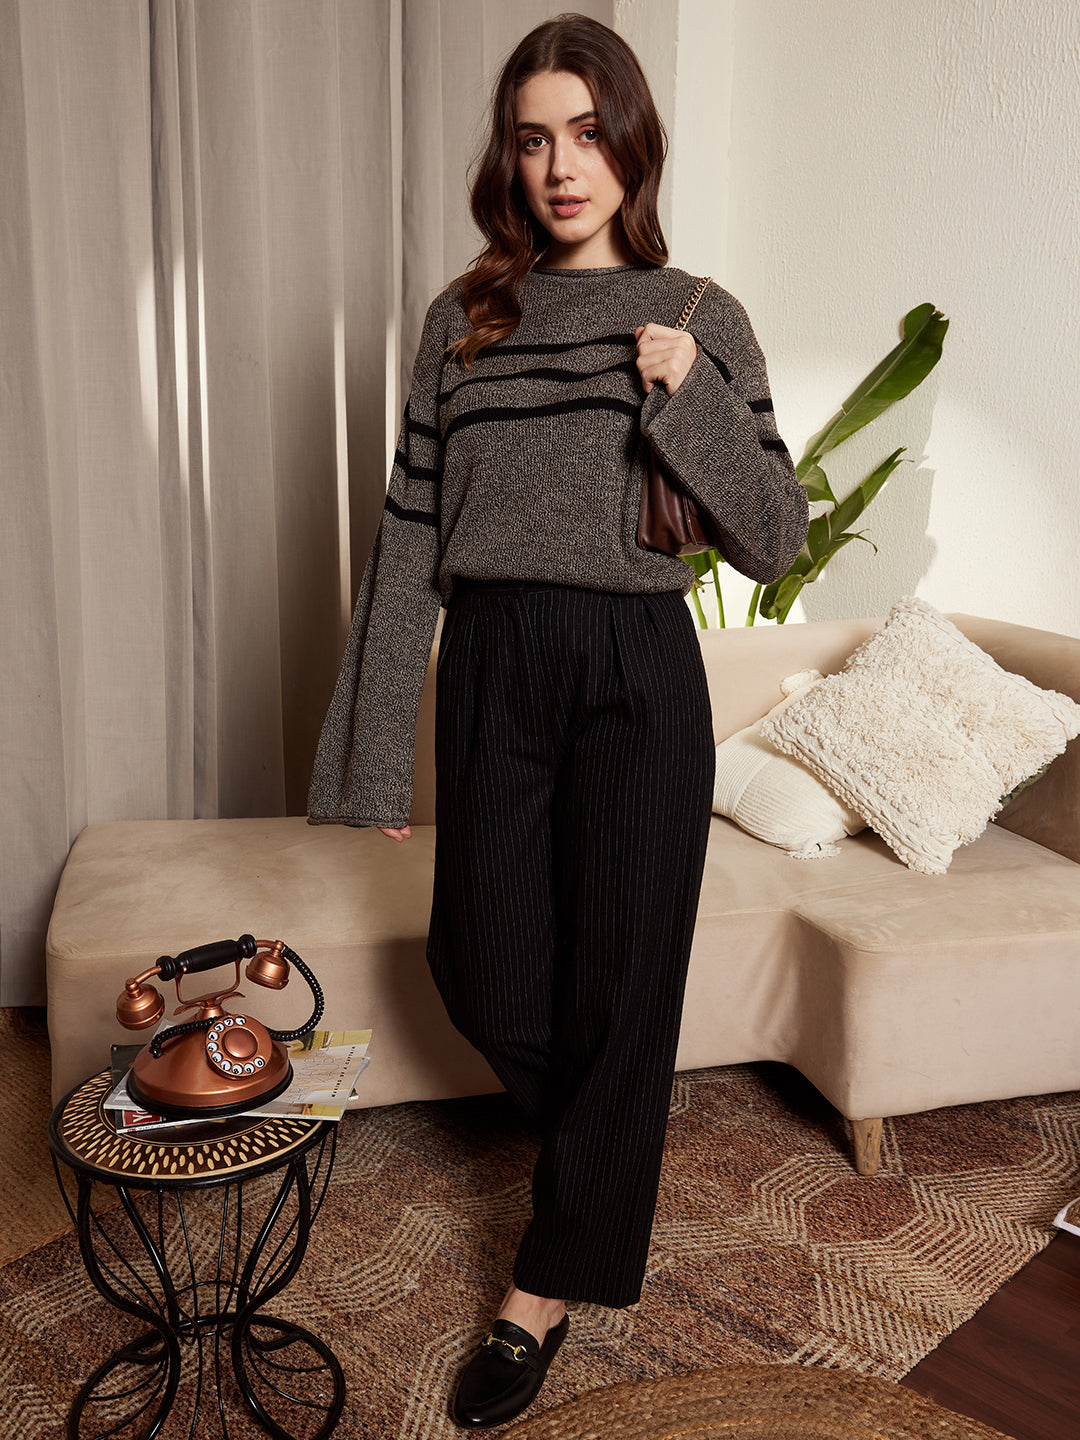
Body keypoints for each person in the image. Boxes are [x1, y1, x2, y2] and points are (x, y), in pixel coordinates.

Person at [308, 12, 808, 1430]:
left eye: (588, 133)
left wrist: (688, 401)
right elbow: (408, 539)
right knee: (481, 960)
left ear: (632, 141)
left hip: (639, 669)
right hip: (496, 662)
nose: (561, 165)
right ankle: (608, 1133)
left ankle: (546, 1286)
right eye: (533, 139)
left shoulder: (700, 314)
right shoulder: (463, 322)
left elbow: (776, 534)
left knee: (626, 976)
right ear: (507, 159)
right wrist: (369, 751)